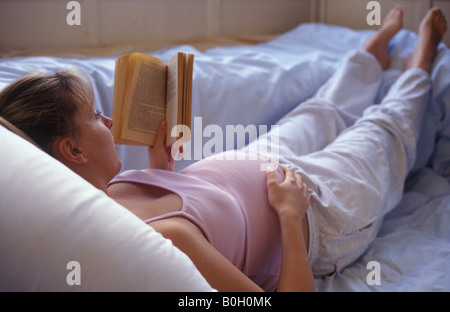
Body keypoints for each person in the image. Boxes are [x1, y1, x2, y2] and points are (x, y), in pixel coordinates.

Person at [0, 7, 447, 292]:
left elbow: (193, 210)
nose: (111, 122)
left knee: (321, 109)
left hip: (261, 162)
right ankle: (421, 61)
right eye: (96, 117)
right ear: (72, 152)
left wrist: (162, 168)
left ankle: (370, 54)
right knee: (382, 131)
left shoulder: (102, 196)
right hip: (314, 212)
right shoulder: (160, 243)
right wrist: (290, 216)